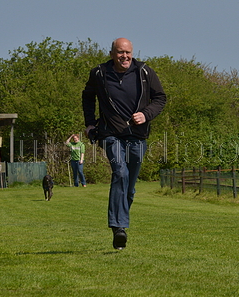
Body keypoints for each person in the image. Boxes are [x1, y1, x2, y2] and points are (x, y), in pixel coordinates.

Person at [82, 38, 166, 249]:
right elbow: (87, 97)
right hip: (110, 133)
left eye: (128, 52)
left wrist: (146, 115)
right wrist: (90, 124)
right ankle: (118, 228)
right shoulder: (99, 73)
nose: (125, 56)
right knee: (120, 172)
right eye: (120, 52)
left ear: (132, 53)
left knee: (129, 185)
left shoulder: (145, 72)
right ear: (112, 53)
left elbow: (160, 99)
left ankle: (120, 221)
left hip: (137, 135)